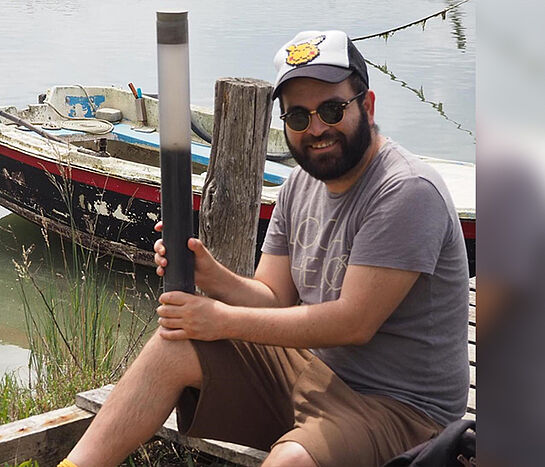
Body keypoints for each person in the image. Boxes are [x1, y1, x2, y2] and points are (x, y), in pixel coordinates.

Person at [59, 30, 469, 467]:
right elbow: (273, 298)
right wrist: (210, 274)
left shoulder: (406, 190)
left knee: (289, 461)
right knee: (173, 344)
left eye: (332, 109)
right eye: (297, 117)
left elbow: (354, 323)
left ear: (367, 107)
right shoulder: (298, 185)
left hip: (402, 409)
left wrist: (221, 319)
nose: (316, 129)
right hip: (316, 372)